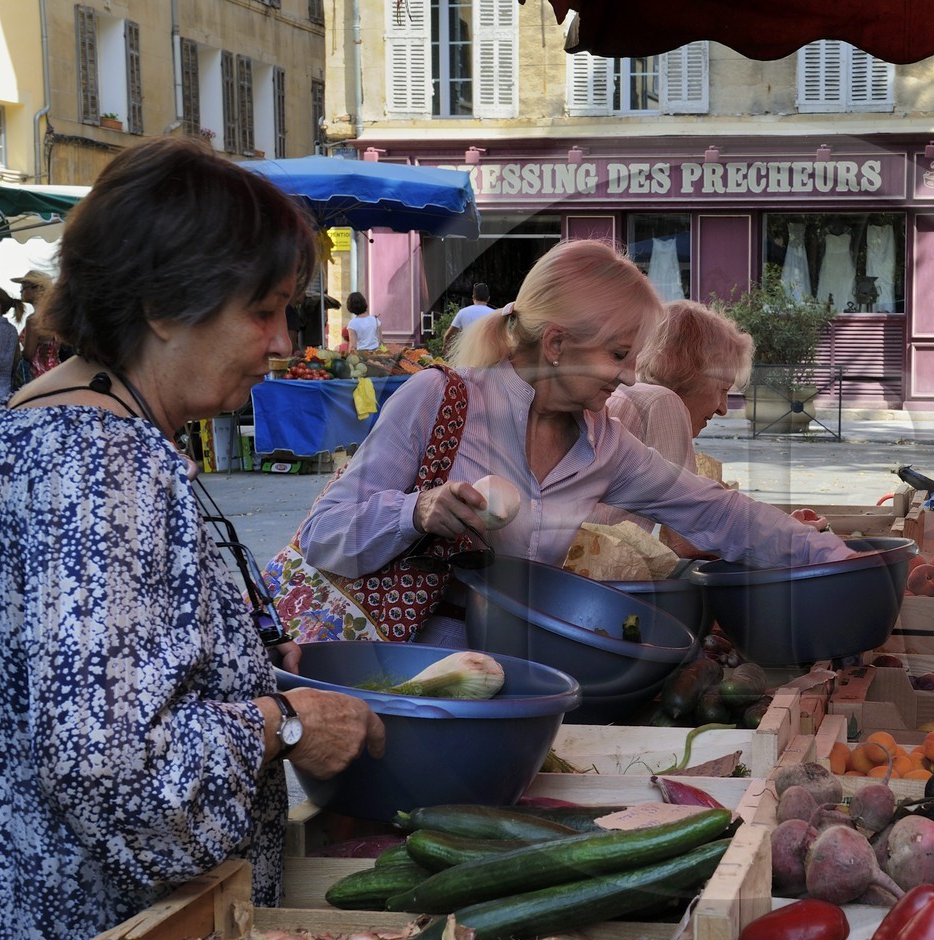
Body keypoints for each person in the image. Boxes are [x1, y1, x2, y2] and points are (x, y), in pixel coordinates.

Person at [0, 136, 385, 940]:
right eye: (265, 312)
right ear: (162, 308)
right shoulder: (97, 463)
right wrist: (281, 723)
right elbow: (112, 765)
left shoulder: (44, 425)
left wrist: (242, 660)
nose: (282, 344)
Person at [266, 239, 852, 644]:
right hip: (395, 683)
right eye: (619, 355)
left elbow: (715, 512)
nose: (628, 377)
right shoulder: (436, 399)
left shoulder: (605, 446)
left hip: (507, 679)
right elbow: (325, 535)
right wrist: (416, 511)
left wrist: (839, 562)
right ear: (555, 344)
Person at [590, 299, 752, 536]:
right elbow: (684, 535)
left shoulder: (623, 395)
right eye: (722, 390)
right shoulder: (663, 402)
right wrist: (784, 535)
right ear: (690, 372)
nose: (723, 409)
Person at [11, 268, 71, 383]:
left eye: (24, 288)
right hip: (56, 371)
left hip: (36, 374)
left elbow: (29, 354)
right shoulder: (56, 316)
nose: (20, 292)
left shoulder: (33, 320)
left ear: (37, 289)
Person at [443, 281, 497, 350]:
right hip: (487, 354)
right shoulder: (494, 314)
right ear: (488, 298)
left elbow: (448, 335)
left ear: (473, 297)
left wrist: (446, 349)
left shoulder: (463, 312)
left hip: (466, 354)